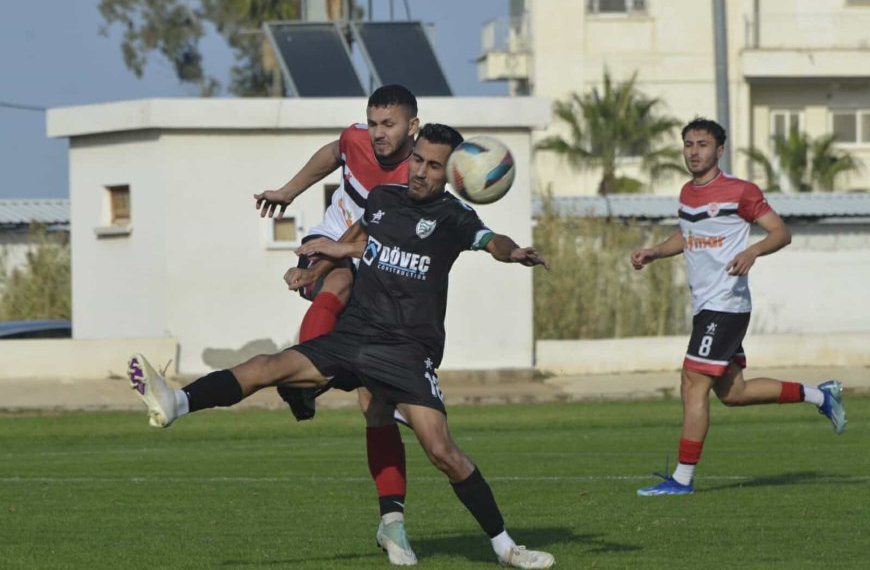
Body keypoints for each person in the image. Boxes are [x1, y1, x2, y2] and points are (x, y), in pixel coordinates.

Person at [128, 123, 555, 569]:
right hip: (355, 336)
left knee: (442, 452)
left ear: (449, 172)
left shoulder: (454, 218)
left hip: (407, 351)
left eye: (432, 166)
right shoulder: (384, 199)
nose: (420, 172)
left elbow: (491, 241)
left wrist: (514, 252)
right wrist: (316, 270)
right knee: (267, 365)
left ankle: (506, 548)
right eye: (418, 160)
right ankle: (176, 402)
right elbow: (357, 241)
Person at [630, 117, 847, 497]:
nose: (694, 151)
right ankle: (821, 395)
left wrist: (752, 251)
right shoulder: (686, 192)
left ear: (718, 150)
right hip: (706, 305)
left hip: (726, 304)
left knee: (691, 383)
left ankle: (682, 479)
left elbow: (781, 232)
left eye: (702, 144)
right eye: (688, 144)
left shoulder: (740, 191)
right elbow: (687, 234)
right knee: (733, 394)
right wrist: (654, 252)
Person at [253, 85, 419, 561]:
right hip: (332, 246)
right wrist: (287, 194)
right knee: (338, 280)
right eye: (373, 123)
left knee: (376, 405)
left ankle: (393, 524)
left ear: (413, 127)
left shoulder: (419, 176)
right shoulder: (356, 140)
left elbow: (367, 231)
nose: (377, 132)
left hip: (376, 263)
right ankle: (308, 378)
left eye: (388, 124)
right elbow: (333, 153)